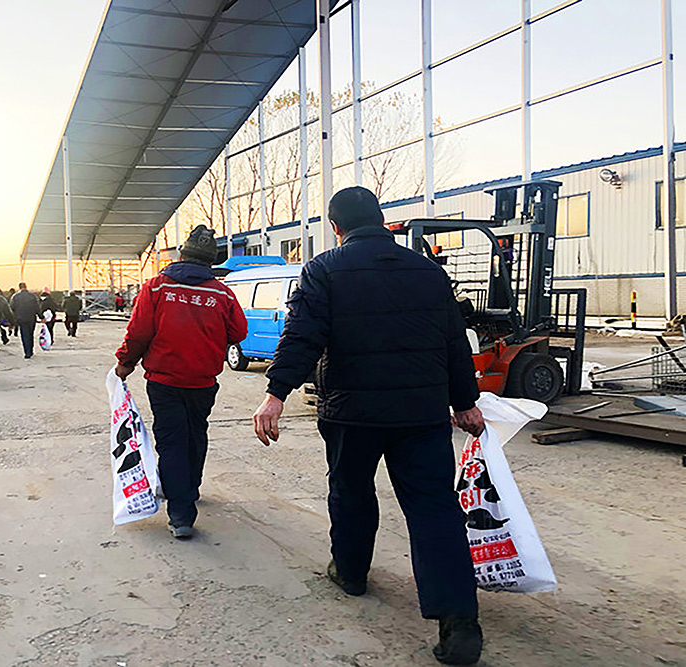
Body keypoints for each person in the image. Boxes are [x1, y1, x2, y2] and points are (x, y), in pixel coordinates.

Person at [251, 187, 486, 666]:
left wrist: (276, 394)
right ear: (381, 220)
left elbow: (302, 336)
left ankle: (351, 572)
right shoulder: (428, 271)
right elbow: (454, 343)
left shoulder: (324, 269)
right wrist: (465, 403)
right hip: (421, 415)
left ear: (335, 227)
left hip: (351, 413)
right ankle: (459, 621)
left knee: (351, 493)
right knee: (434, 510)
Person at [115, 225, 247, 539]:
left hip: (164, 381)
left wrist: (125, 362)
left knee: (172, 440)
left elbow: (139, 332)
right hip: (203, 381)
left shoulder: (156, 287)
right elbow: (239, 332)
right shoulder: (221, 293)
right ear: (210, 261)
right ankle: (190, 487)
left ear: (182, 255)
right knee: (196, 433)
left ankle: (181, 513)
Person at [10, 282, 40, 359]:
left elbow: (11, 308)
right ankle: (31, 349)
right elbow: (37, 307)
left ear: (19, 287)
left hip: (21, 318)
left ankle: (27, 352)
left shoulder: (15, 296)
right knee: (31, 334)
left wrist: (12, 319)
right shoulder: (32, 296)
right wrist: (41, 316)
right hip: (31, 317)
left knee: (24, 335)